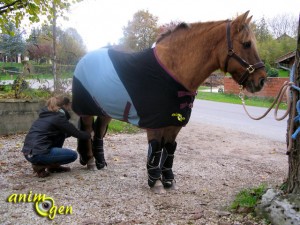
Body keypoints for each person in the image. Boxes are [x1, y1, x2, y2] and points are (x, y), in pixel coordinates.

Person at [22, 95, 91, 178]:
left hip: (28, 153)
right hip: (39, 154)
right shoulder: (58, 117)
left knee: (61, 134)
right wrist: (90, 134)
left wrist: (69, 133)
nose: (69, 108)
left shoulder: (44, 116)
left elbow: (63, 134)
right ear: (65, 105)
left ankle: (52, 167)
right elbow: (76, 133)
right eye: (69, 105)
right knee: (73, 155)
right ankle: (42, 165)